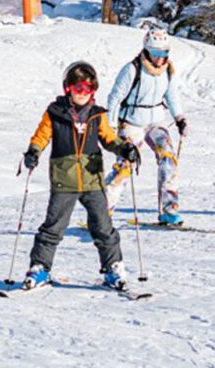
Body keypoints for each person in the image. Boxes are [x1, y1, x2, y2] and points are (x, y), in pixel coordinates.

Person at [19, 61, 139, 291]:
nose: (83, 94)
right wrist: (34, 151)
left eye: (88, 88)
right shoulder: (55, 113)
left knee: (103, 227)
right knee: (53, 227)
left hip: (92, 179)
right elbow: (41, 136)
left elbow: (109, 138)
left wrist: (124, 148)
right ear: (68, 89)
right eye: (78, 89)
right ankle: (39, 268)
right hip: (65, 180)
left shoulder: (97, 115)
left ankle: (113, 267)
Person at [104, 28, 190, 225]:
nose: (161, 58)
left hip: (155, 122)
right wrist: (110, 125)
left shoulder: (168, 70)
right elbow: (115, 97)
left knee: (168, 158)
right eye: (157, 53)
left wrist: (179, 118)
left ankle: (169, 210)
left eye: (165, 53)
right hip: (132, 122)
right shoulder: (132, 69)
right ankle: (103, 212)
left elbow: (172, 95)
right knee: (125, 166)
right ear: (148, 50)